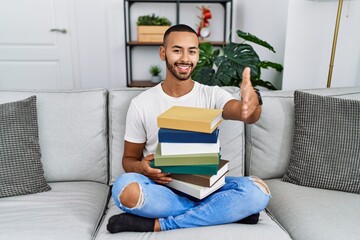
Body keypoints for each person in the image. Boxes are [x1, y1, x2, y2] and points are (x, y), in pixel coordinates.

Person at [107, 24, 271, 233]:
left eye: (192, 51)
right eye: (177, 50)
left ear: (197, 55)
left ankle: (161, 224)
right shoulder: (141, 104)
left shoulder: (212, 95)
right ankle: (222, 211)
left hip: (208, 186)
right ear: (163, 52)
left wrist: (252, 102)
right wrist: (142, 168)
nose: (185, 58)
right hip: (163, 189)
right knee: (124, 189)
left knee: (258, 191)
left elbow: (245, 114)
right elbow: (128, 160)